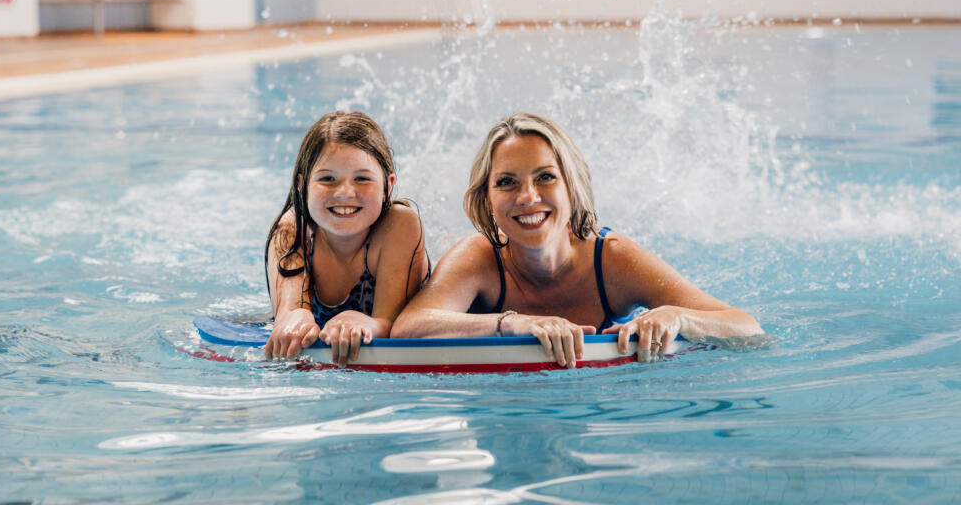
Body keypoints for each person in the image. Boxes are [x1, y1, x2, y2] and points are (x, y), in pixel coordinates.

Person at [391, 112, 763, 367]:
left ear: (572, 187)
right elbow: (408, 328)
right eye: (506, 182)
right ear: (487, 199)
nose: (528, 197)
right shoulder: (480, 257)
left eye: (545, 177)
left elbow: (747, 328)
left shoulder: (612, 260)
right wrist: (513, 324)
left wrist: (676, 317)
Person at [264, 111, 428, 365]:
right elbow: (288, 312)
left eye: (362, 179)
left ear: (388, 186)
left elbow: (394, 326)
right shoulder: (292, 229)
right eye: (327, 179)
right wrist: (296, 318)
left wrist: (370, 324)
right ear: (302, 184)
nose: (345, 193)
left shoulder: (399, 226)